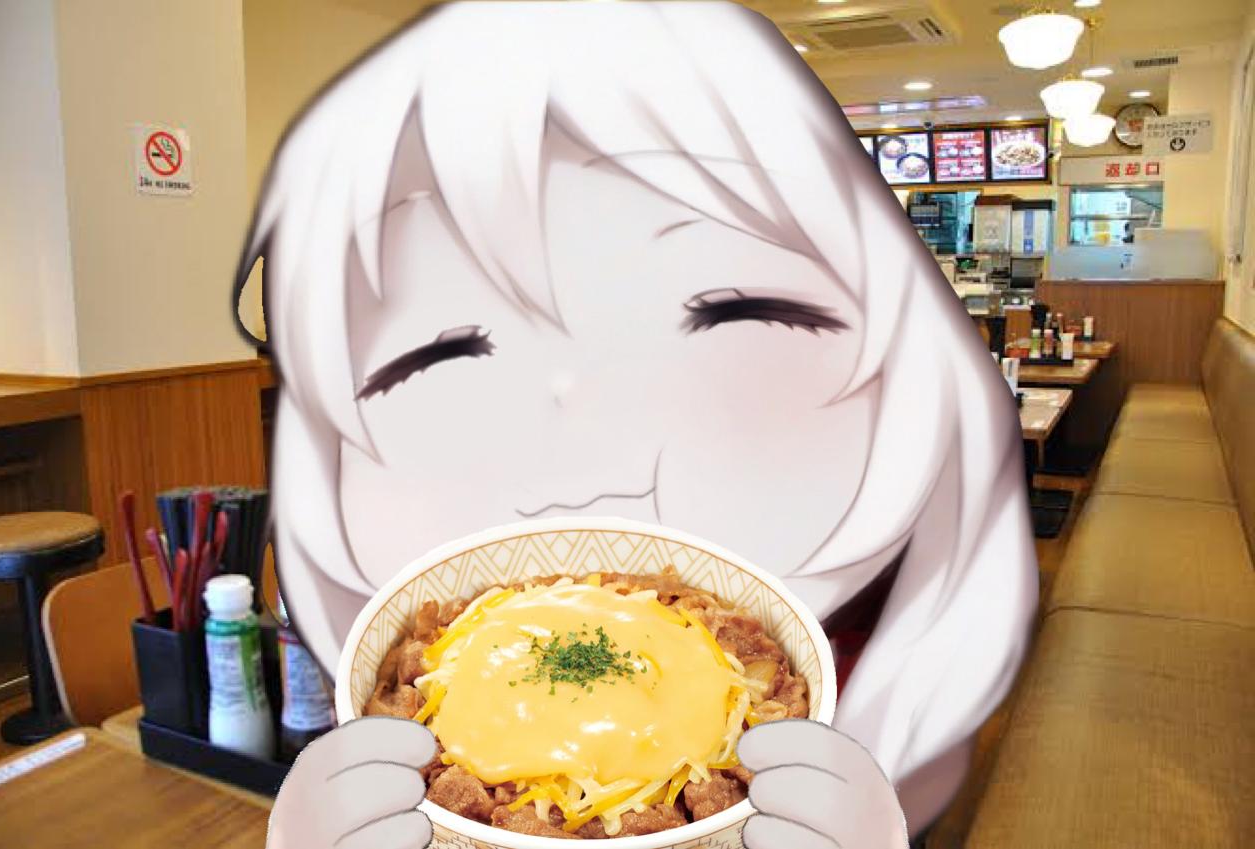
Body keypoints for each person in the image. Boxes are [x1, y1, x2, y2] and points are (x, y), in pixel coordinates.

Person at [234, 3, 1037, 847]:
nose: (594, 463)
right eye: (435, 370)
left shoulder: (871, 662)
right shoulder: (404, 689)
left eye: (736, 321)